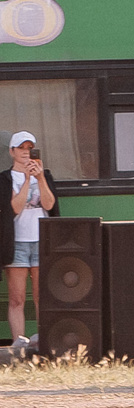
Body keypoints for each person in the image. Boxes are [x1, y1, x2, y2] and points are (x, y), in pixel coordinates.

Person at [9, 129, 55, 355]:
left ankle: (42, 339)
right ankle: (18, 342)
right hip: (17, 242)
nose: (26, 153)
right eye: (22, 149)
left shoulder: (44, 175)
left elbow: (49, 205)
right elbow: (14, 209)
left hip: (41, 241)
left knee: (41, 295)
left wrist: (39, 177)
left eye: (30, 148)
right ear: (12, 152)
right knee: (17, 297)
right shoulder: (5, 178)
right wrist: (27, 179)